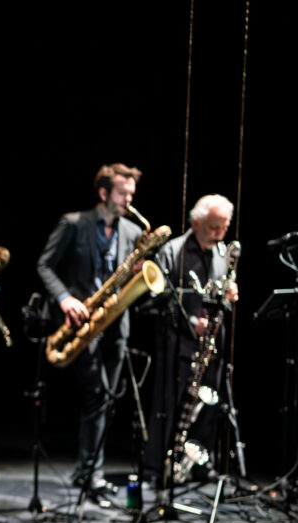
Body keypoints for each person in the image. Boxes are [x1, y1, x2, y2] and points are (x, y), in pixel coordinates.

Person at [36, 163, 145, 499]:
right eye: (122, 193)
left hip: (116, 324)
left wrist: (137, 272)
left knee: (106, 400)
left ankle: (88, 471)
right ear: (103, 192)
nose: (129, 199)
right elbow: (45, 265)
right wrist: (65, 299)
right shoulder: (74, 223)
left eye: (131, 193)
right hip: (83, 321)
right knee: (95, 397)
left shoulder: (131, 231)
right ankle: (90, 473)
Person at [143, 194, 239, 485]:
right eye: (213, 227)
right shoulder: (174, 251)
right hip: (178, 341)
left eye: (224, 227)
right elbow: (158, 297)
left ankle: (197, 466)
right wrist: (192, 321)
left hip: (211, 344)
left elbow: (219, 296)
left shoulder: (221, 254)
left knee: (207, 405)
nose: (219, 234)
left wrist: (229, 296)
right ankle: (157, 468)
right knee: (169, 406)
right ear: (196, 223)